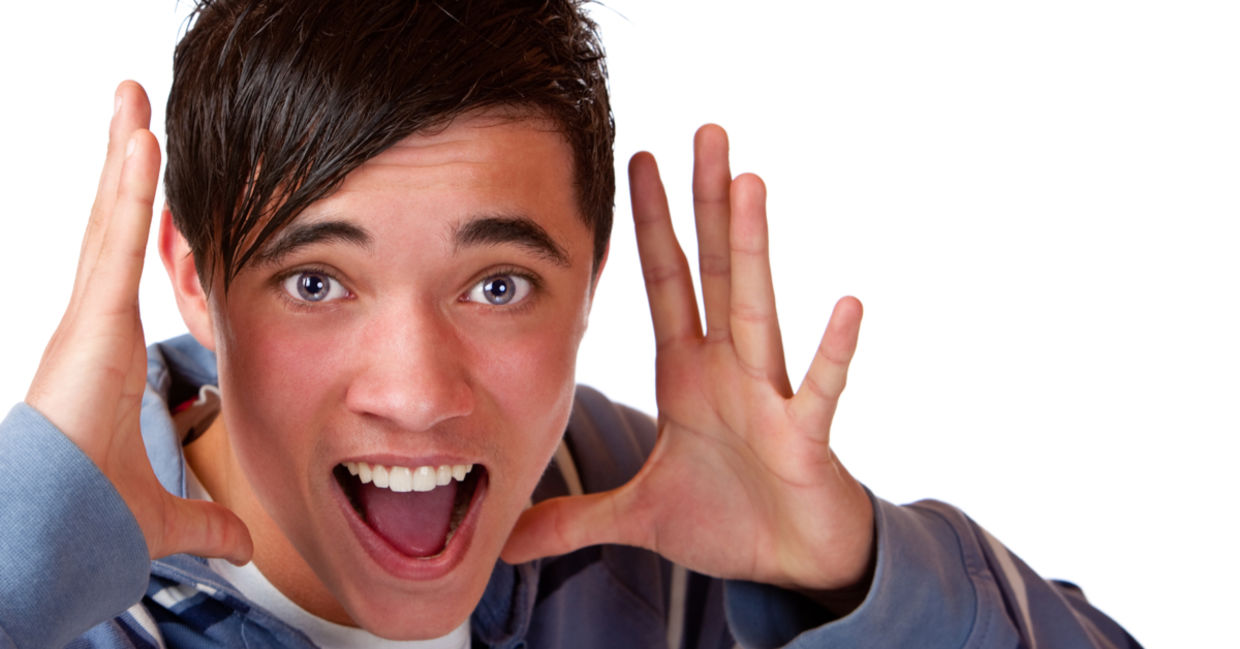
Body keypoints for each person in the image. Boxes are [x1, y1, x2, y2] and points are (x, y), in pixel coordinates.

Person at [0, 1, 1142, 647]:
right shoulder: (57, 600)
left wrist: (859, 569)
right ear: (195, 282)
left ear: (591, 278)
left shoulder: (649, 520)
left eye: (495, 285)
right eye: (317, 284)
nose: (415, 391)